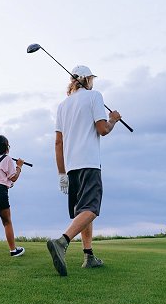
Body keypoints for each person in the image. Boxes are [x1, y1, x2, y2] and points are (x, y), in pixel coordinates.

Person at [46, 65, 122, 276]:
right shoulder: (94, 96)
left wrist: (62, 174)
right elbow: (103, 129)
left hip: (71, 167)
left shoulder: (62, 106)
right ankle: (62, 241)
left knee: (83, 211)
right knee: (92, 208)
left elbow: (58, 143)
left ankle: (88, 255)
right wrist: (113, 119)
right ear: (87, 80)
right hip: (89, 162)